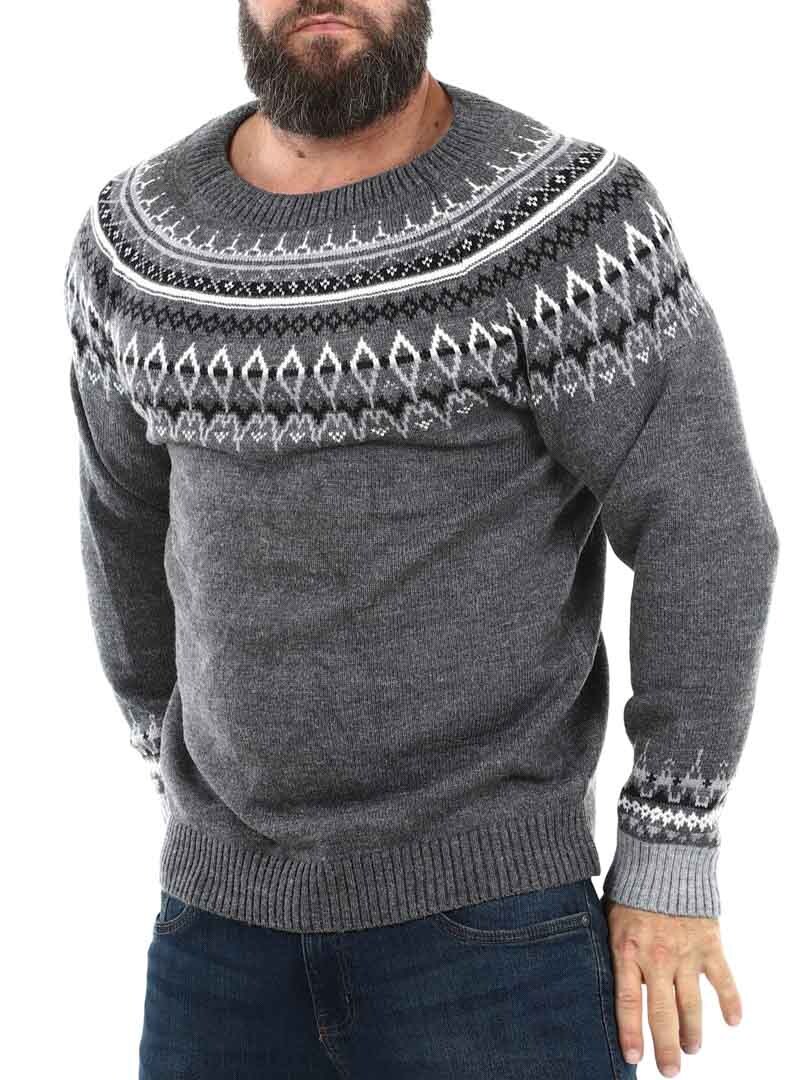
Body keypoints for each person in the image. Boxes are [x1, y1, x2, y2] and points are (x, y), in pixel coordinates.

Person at [63, 2, 779, 1077]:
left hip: (495, 932)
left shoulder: (564, 223)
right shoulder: (134, 245)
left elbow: (705, 525)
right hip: (217, 937)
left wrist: (669, 848)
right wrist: (168, 766)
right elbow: (121, 515)